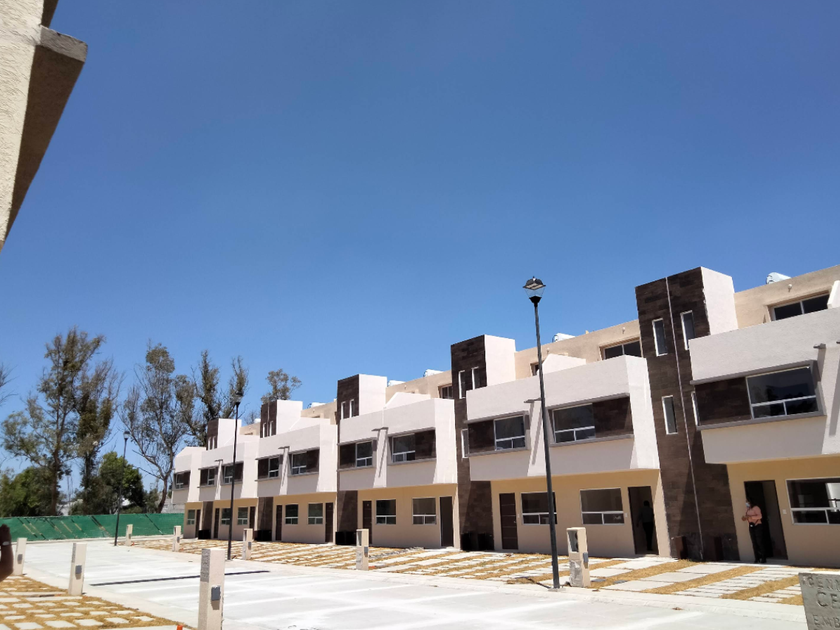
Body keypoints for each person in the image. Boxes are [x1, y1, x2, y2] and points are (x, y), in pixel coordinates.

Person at [742, 499, 766, 563]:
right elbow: (747, 517)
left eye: (747, 502)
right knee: (754, 542)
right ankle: (757, 558)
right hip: (751, 526)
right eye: (746, 502)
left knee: (759, 542)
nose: (746, 503)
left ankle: (763, 557)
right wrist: (745, 518)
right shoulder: (748, 509)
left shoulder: (756, 508)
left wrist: (751, 517)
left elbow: (760, 516)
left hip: (757, 525)